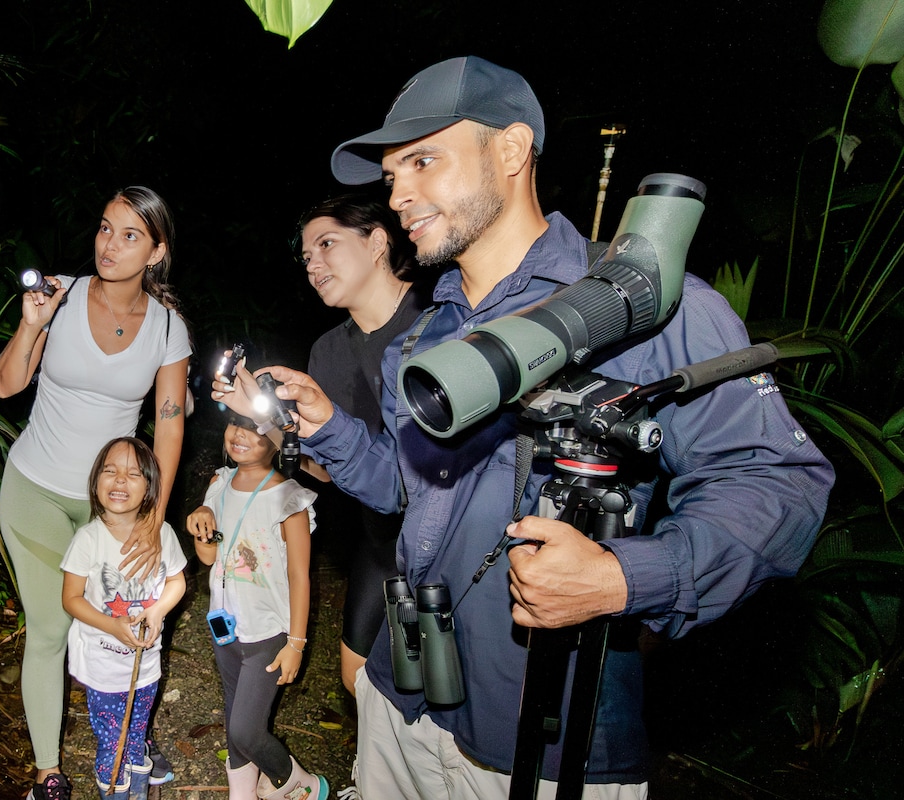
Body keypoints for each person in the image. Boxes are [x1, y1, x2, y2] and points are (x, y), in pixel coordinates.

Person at [214, 56, 834, 799]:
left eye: (422, 160)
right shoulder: (425, 333)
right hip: (399, 703)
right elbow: (407, 493)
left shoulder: (639, 304)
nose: (399, 194)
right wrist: (329, 429)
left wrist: (621, 579)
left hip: (545, 738)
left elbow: (778, 484)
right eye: (390, 177)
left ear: (510, 151)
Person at [0, 185, 191, 800]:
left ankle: (130, 732)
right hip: (36, 490)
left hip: (116, 507)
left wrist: (153, 518)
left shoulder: (167, 329)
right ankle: (49, 772)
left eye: (130, 235)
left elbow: (169, 422)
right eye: (106, 228)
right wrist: (32, 326)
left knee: (119, 621)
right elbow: (6, 385)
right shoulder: (61, 293)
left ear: (156, 252)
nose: (110, 244)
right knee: (51, 628)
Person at [296, 195, 431, 697]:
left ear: (377, 241)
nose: (314, 264)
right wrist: (271, 431)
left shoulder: (441, 316)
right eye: (307, 256)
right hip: (379, 542)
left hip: (451, 540)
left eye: (326, 244)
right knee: (357, 681)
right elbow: (330, 470)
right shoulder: (328, 350)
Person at [185, 414, 328, 800]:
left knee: (246, 730)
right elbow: (210, 558)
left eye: (254, 429)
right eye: (234, 424)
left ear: (277, 440)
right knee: (234, 717)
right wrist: (201, 523)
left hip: (268, 632)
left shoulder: (289, 498)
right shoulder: (219, 482)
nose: (240, 435)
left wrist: (295, 643)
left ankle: (299, 782)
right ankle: (242, 794)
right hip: (226, 627)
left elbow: (301, 576)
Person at [61, 437, 187, 800]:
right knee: (111, 740)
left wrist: (159, 609)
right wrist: (113, 625)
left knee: (136, 731)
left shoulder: (162, 534)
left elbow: (177, 581)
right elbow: (71, 599)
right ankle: (114, 789)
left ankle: (139, 784)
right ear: (96, 481)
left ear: (149, 486)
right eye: (110, 471)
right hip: (102, 667)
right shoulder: (88, 539)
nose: (119, 481)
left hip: (145, 666)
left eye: (133, 474)